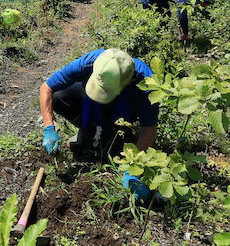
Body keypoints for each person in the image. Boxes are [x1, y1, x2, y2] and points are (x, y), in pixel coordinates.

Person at [39, 48, 159, 199]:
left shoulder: (146, 84)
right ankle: (87, 129)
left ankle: (119, 131)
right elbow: (47, 88)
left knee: (113, 148)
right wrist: (49, 127)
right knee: (58, 96)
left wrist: (134, 168)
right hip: (90, 100)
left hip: (126, 106)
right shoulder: (89, 62)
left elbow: (148, 129)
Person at [138, 0, 214, 41]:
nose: (206, 5)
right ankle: (149, 38)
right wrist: (185, 33)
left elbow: (199, 9)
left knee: (166, 15)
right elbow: (182, 15)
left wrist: (211, 19)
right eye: (207, 3)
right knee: (152, 17)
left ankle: (162, 36)